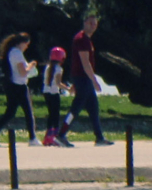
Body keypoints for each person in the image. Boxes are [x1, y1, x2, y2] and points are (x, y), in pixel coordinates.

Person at [68, 13, 109, 145]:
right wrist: (94, 80)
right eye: (90, 23)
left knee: (93, 108)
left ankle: (99, 137)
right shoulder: (81, 39)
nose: (93, 26)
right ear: (84, 23)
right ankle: (61, 133)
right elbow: (85, 63)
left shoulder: (87, 40)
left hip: (83, 78)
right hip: (83, 78)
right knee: (76, 108)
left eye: (95, 24)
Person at [0, 32, 36, 144]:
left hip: (12, 85)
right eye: (26, 44)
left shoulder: (11, 52)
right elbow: (23, 72)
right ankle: (32, 138)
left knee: (10, 112)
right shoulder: (17, 54)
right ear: (22, 43)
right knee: (28, 113)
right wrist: (31, 65)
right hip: (19, 86)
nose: (27, 47)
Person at [39, 47, 72, 145]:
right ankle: (55, 136)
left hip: (46, 92)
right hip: (54, 93)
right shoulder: (59, 69)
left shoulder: (47, 67)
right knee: (56, 115)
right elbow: (58, 83)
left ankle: (48, 137)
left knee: (50, 115)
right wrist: (68, 89)